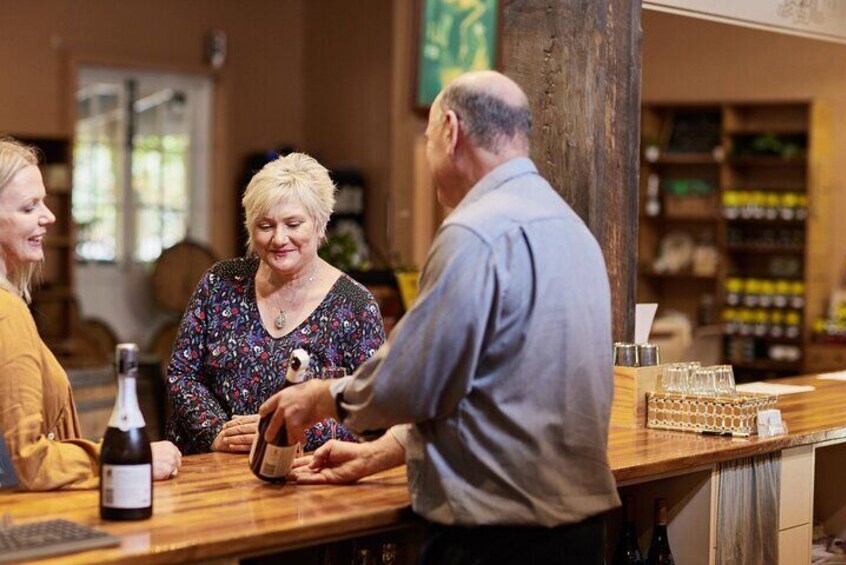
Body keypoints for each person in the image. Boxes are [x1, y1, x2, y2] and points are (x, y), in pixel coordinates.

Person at [260, 71, 621, 564]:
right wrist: (376, 454)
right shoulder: (572, 230)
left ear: (450, 130)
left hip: (495, 535)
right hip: (578, 532)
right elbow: (492, 389)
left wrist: (321, 397)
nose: (430, 157)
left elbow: (413, 381)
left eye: (429, 138)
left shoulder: (475, 232)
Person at [165, 152, 385, 455]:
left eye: (293, 224)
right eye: (265, 225)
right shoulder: (219, 283)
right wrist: (217, 433)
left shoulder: (356, 306)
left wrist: (292, 430)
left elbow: (372, 409)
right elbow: (183, 374)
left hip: (306, 477)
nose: (279, 238)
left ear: (320, 224)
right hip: (211, 466)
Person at [0, 137, 182, 490]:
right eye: (29, 207)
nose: (48, 216)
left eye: (44, 202)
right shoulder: (7, 313)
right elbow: (27, 462)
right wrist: (130, 457)